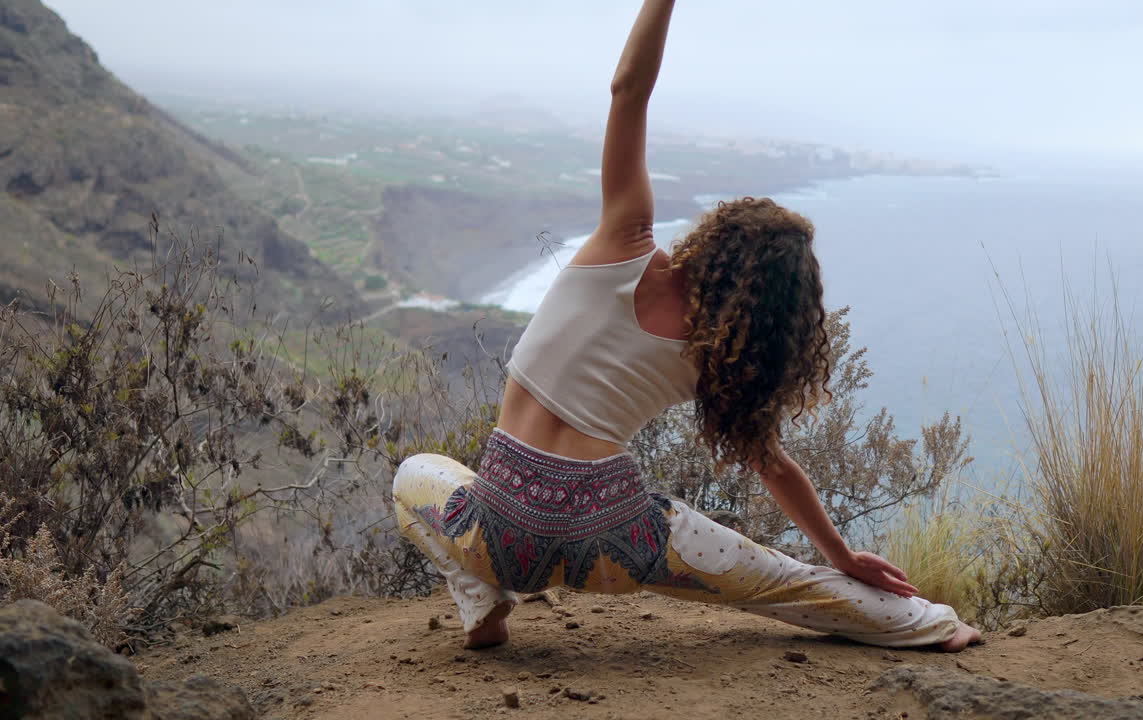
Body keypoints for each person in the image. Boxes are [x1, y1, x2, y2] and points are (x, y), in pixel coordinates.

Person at [392, 0, 981, 653]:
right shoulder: (714, 362)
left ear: (717, 232)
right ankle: (937, 626)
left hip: (502, 539)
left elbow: (628, 93)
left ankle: (482, 602)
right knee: (780, 581)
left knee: (417, 472)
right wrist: (841, 552)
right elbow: (773, 465)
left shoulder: (625, 242)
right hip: (612, 542)